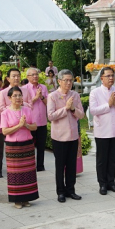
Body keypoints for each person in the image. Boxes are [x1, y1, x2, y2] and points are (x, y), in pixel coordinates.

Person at [89, 66, 115, 195]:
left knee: (113, 159)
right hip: (102, 131)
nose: (111, 78)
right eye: (108, 76)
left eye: (112, 75)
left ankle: (111, 182)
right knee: (102, 160)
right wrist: (108, 104)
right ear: (102, 78)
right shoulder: (95, 92)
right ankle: (102, 184)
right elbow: (93, 110)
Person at [47, 69, 85, 202]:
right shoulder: (52, 96)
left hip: (73, 136)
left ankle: (71, 190)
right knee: (60, 165)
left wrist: (73, 109)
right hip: (59, 137)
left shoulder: (75, 95)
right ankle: (60, 192)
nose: (69, 83)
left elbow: (82, 115)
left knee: (71, 165)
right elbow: (51, 116)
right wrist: (66, 108)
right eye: (66, 80)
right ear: (59, 81)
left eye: (71, 80)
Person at [0, 86, 39, 208]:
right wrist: (19, 125)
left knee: (28, 172)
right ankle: (17, 199)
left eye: (20, 95)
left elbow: (34, 127)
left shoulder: (27, 110)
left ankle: (27, 198)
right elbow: (5, 131)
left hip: (27, 144)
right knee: (15, 173)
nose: (18, 98)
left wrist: (26, 125)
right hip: (13, 146)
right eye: (15, 96)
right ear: (10, 98)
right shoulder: (5, 112)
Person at [21, 67, 49, 172]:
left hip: (42, 122)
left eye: (36, 74)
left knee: (41, 146)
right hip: (30, 122)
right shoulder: (24, 89)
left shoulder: (43, 88)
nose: (35, 76)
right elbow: (23, 104)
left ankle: (40, 166)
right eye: (32, 75)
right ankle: (30, 166)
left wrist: (41, 97)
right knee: (30, 146)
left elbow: (48, 103)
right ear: (27, 77)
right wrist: (35, 98)